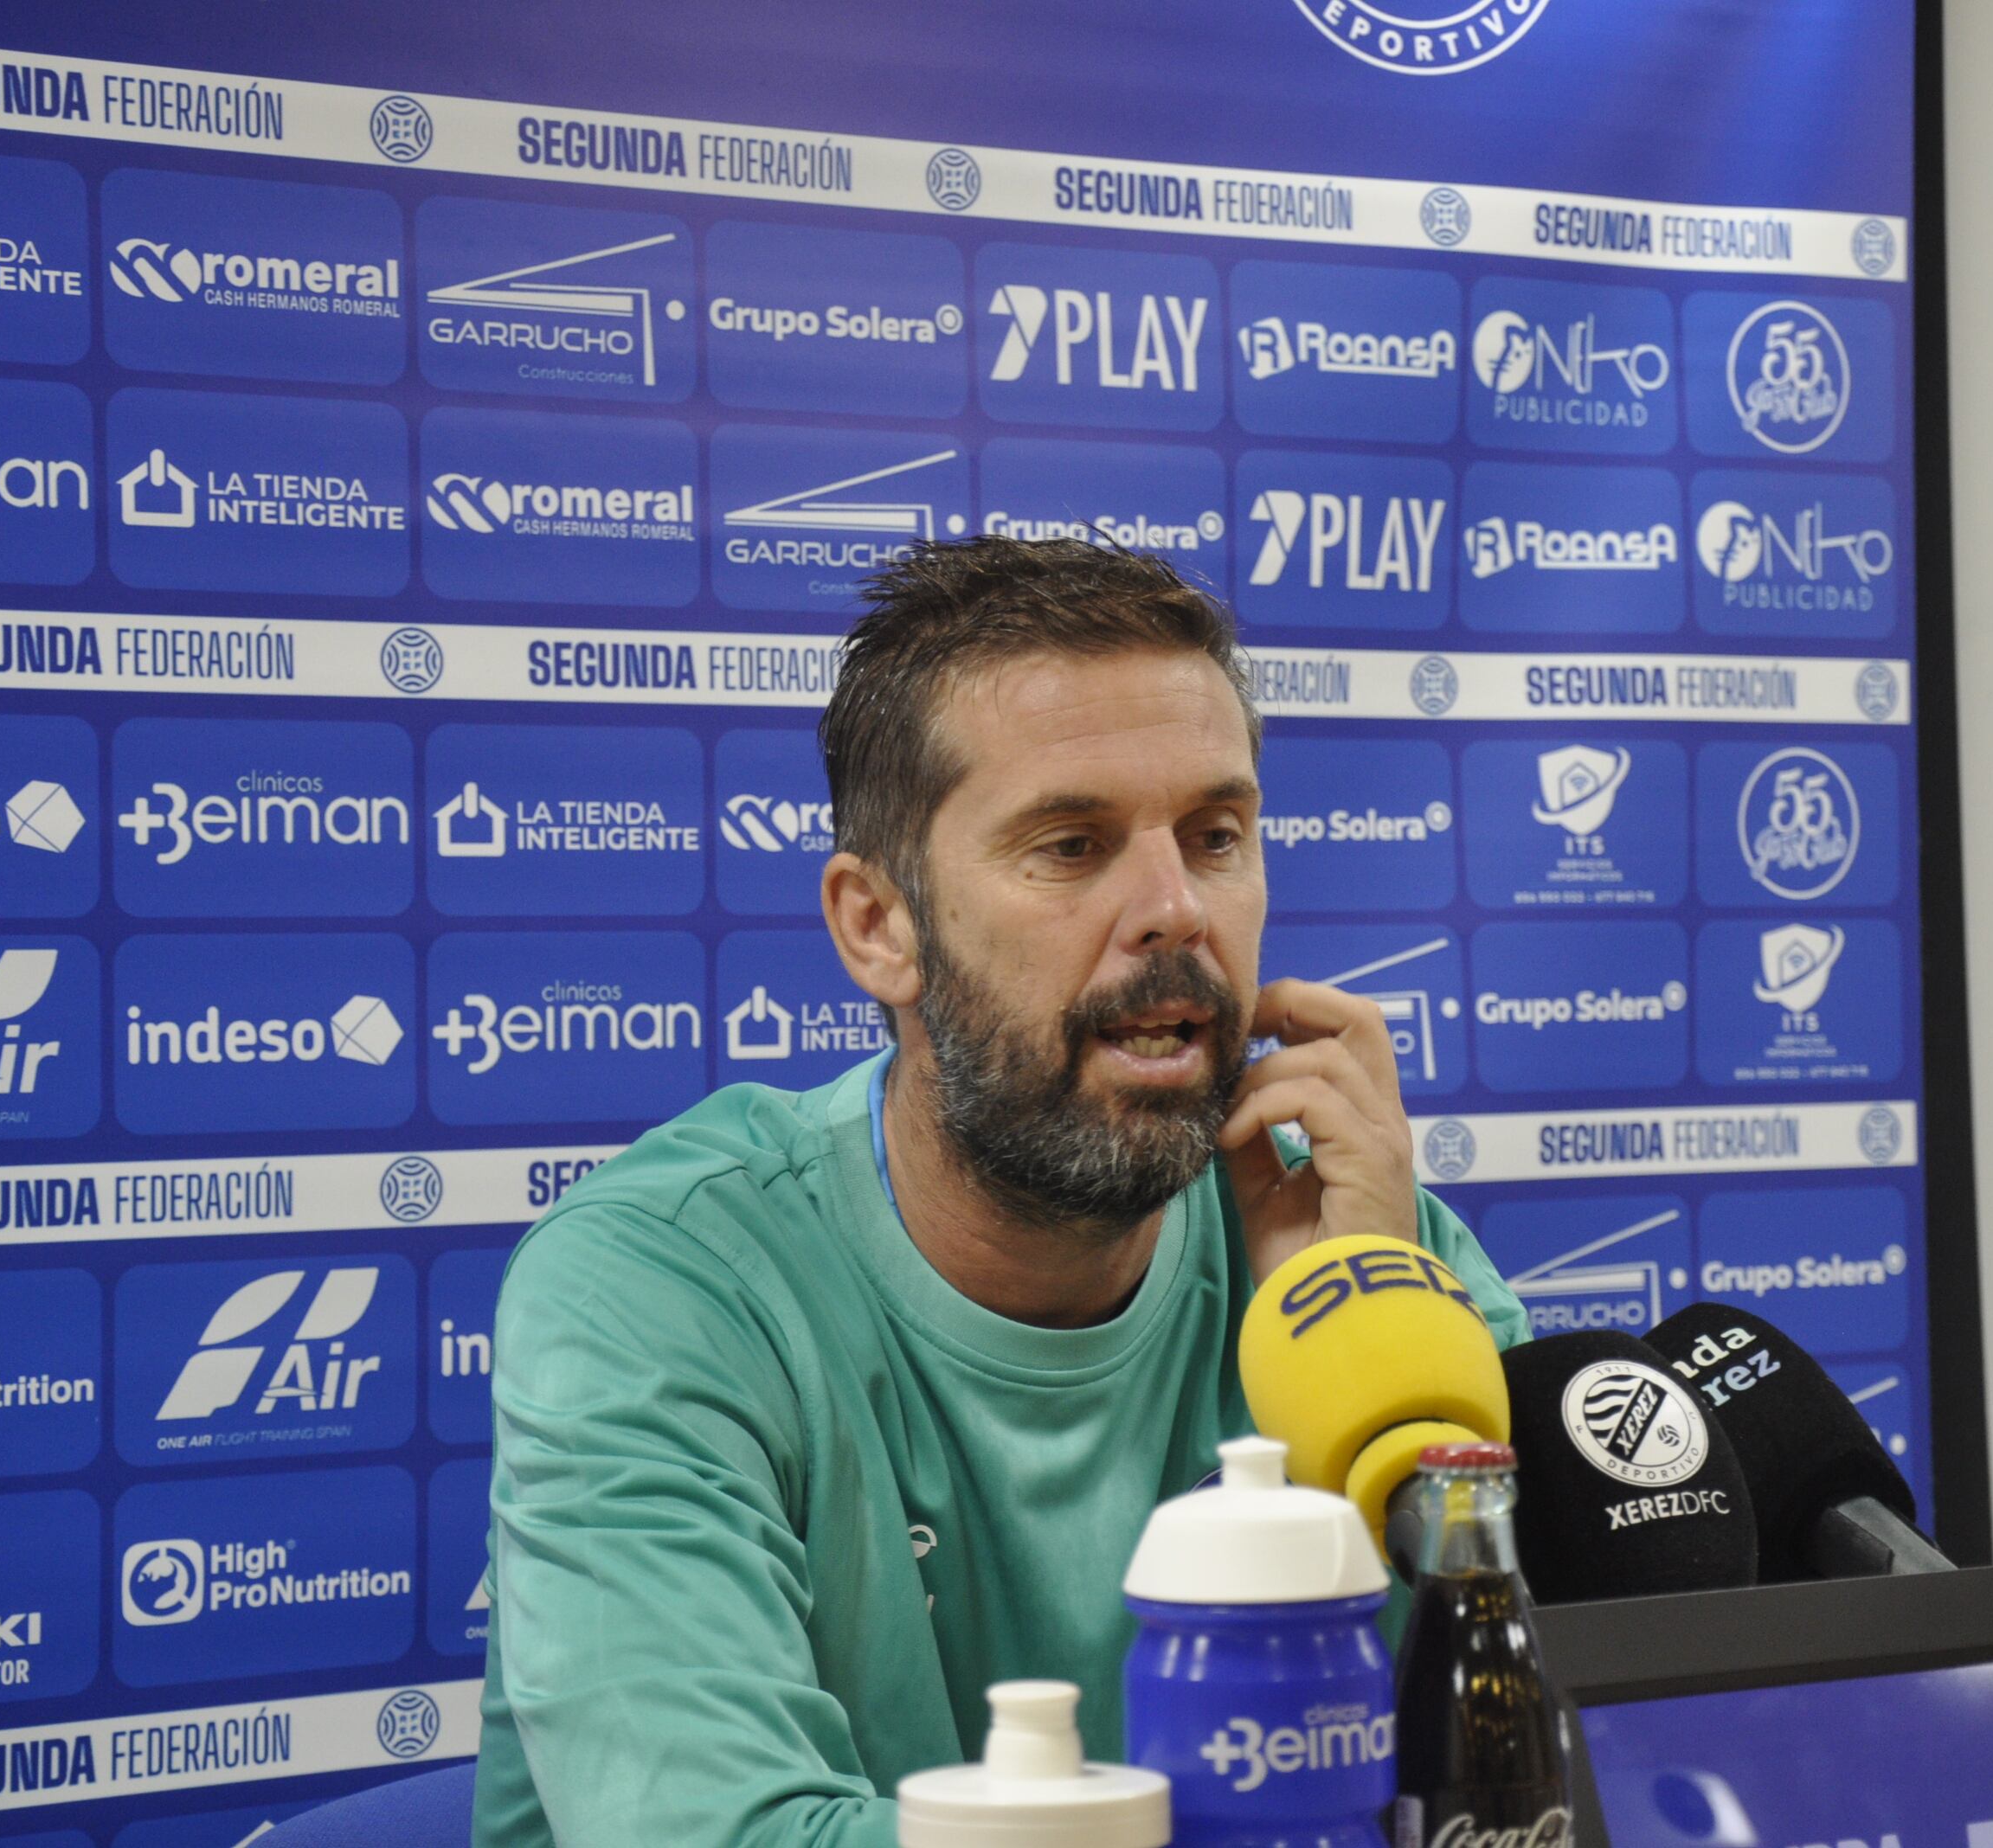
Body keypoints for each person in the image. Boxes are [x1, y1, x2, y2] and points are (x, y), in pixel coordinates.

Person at [473, 536, 1527, 1847]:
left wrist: (1354, 1326)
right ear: (879, 927)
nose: (1174, 910)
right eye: (1072, 846)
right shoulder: (663, 1284)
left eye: (1216, 836)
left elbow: (1526, 1756)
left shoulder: (1355, 1244)